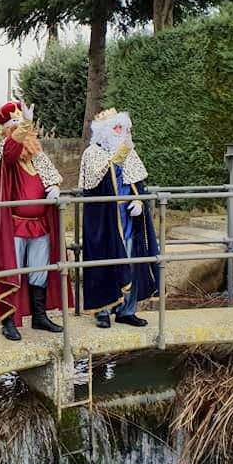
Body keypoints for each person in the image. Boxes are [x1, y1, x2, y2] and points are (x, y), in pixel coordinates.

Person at [0, 101, 71, 341]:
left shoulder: (36, 154)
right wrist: (26, 125)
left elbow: (50, 174)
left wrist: (52, 187)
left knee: (39, 271)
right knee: (12, 270)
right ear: (7, 129)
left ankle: (40, 316)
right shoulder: (3, 151)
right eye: (17, 125)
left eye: (23, 126)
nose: (23, 131)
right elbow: (11, 154)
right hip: (14, 224)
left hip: (40, 224)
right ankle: (8, 320)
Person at [79, 108, 159, 328]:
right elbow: (96, 184)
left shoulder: (129, 153)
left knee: (132, 262)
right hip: (104, 220)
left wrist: (139, 201)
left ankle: (127, 310)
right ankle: (102, 311)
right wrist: (121, 154)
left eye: (123, 128)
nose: (121, 132)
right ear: (104, 131)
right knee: (105, 263)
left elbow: (138, 185)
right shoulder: (92, 153)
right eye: (116, 128)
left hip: (128, 220)